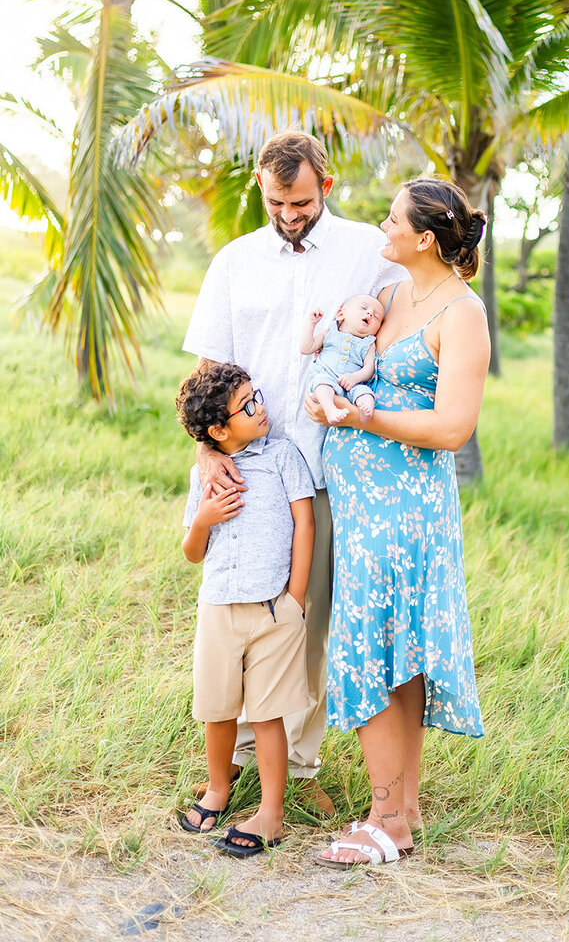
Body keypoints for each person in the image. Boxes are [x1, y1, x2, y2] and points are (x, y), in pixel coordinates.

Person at [182, 131, 403, 816]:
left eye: (301, 201)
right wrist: (205, 453)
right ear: (260, 186)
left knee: (303, 619)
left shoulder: (369, 250)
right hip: (240, 470)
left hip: (325, 469)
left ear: (326, 188)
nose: (288, 213)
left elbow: (404, 325)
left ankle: (298, 767)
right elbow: (205, 372)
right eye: (277, 200)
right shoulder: (234, 261)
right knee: (232, 607)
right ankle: (237, 757)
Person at [306, 177, 490, 868]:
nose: (380, 229)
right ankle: (401, 808)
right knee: (396, 653)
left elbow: (452, 427)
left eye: (391, 220)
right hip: (361, 504)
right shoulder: (389, 296)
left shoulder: (462, 314)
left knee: (378, 651)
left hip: (405, 508)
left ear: (422, 238)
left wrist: (363, 417)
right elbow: (352, 364)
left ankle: (387, 823)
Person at [175, 363, 315, 856]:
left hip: (274, 609)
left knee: (268, 714)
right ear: (218, 430)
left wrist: (295, 598)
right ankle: (218, 786)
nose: (262, 409)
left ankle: (271, 812)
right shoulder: (204, 474)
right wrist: (204, 520)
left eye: (258, 397)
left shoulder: (282, 456)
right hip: (218, 608)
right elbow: (192, 552)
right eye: (248, 405)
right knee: (217, 710)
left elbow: (304, 523)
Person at [299, 295, 384, 425]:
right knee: (321, 383)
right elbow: (306, 348)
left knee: (365, 392)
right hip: (325, 378)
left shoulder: (368, 343)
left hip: (352, 385)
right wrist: (312, 324)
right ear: (340, 314)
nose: (370, 313)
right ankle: (330, 410)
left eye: (377, 317)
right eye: (363, 307)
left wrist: (355, 378)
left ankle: (366, 412)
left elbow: (369, 368)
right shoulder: (329, 333)